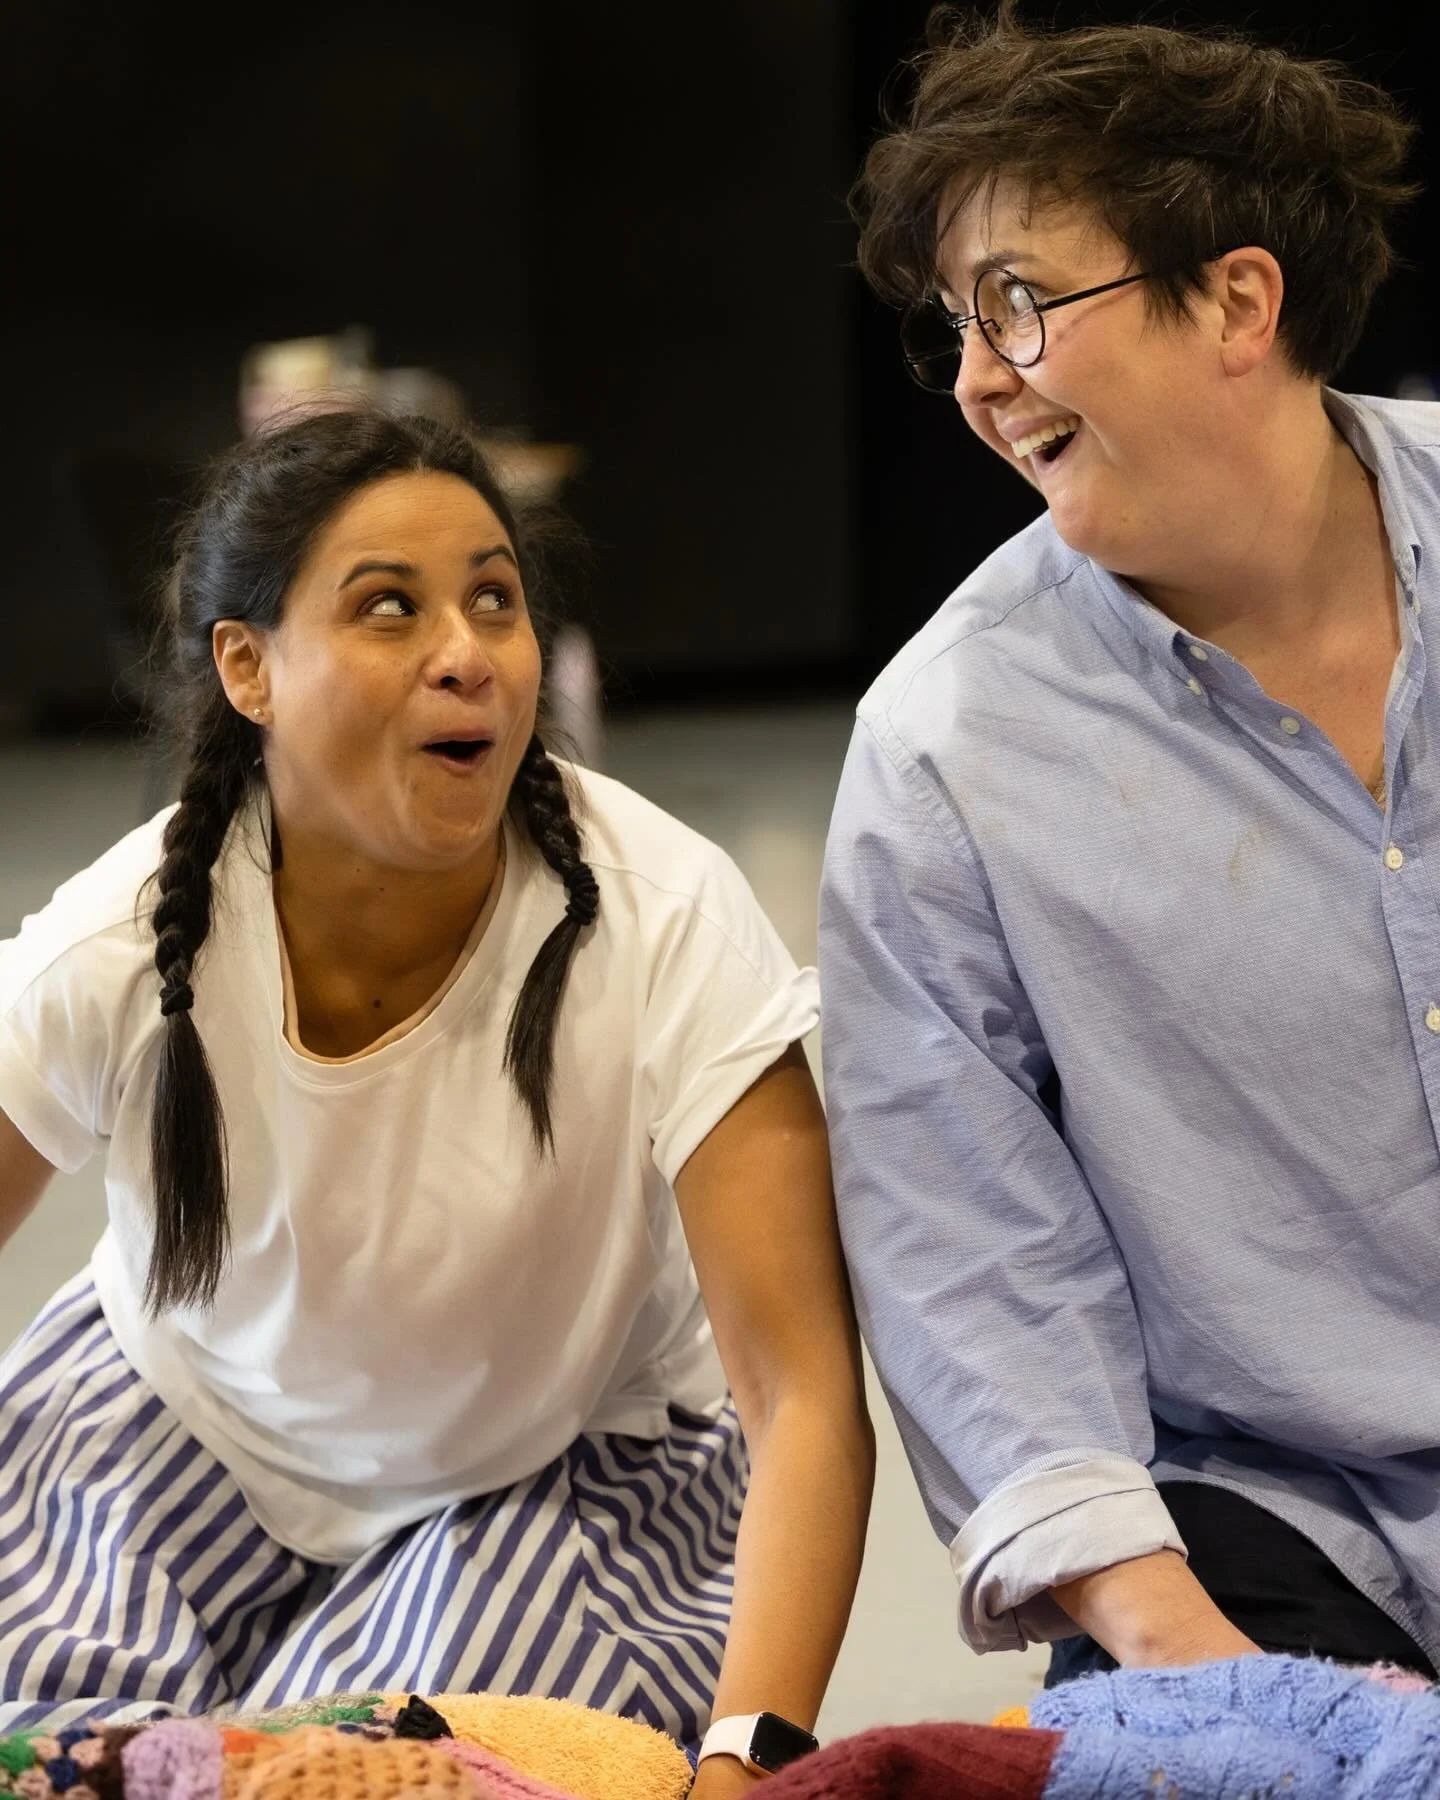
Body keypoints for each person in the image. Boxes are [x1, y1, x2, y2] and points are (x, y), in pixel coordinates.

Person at [0, 407, 874, 1786]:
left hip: (544, 1478)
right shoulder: (118, 939)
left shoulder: (668, 917)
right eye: (388, 609)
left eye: (494, 601)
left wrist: (746, 1759)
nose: (467, 654)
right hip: (172, 1429)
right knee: (54, 1759)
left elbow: (805, 1397)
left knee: (380, 1771)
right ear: (249, 667)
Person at [820, 3, 1440, 1686]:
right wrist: (1183, 1649)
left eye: (1019, 302)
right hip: (1273, 1530)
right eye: (954, 323)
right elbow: (966, 1242)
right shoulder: (948, 747)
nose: (974, 377)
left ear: (1239, 300)